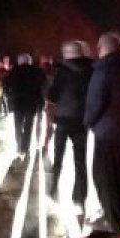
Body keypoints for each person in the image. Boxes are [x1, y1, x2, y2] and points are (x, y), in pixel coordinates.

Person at [84, 33, 120, 233]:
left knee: (103, 177)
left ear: (102, 49)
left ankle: (113, 221)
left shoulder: (102, 71)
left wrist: (88, 122)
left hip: (108, 133)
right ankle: (119, 215)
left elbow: (95, 102)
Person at [45, 41, 93, 211]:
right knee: (80, 160)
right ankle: (79, 198)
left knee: (58, 157)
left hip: (63, 120)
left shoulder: (62, 72)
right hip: (81, 121)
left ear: (68, 54)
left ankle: (52, 190)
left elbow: (52, 96)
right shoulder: (91, 70)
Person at [4, 53, 46, 157]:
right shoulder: (37, 72)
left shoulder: (14, 71)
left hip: (17, 102)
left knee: (18, 126)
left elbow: (6, 85)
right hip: (32, 102)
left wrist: (9, 97)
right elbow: (43, 87)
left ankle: (19, 147)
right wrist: (41, 101)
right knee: (29, 125)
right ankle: (25, 147)